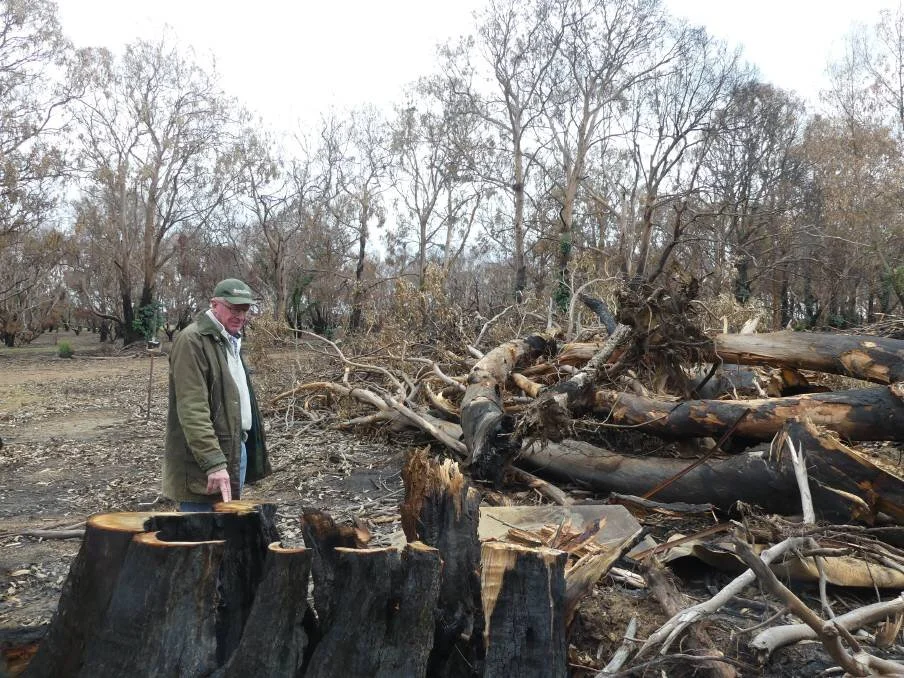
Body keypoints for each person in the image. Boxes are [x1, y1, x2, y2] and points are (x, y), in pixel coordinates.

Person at [163, 278, 271, 511]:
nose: (240, 316)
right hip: (203, 461)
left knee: (228, 531)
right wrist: (213, 463)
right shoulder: (193, 341)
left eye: (245, 309)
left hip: (234, 449)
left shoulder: (229, 340)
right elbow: (192, 409)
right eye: (234, 308)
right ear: (214, 305)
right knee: (202, 536)